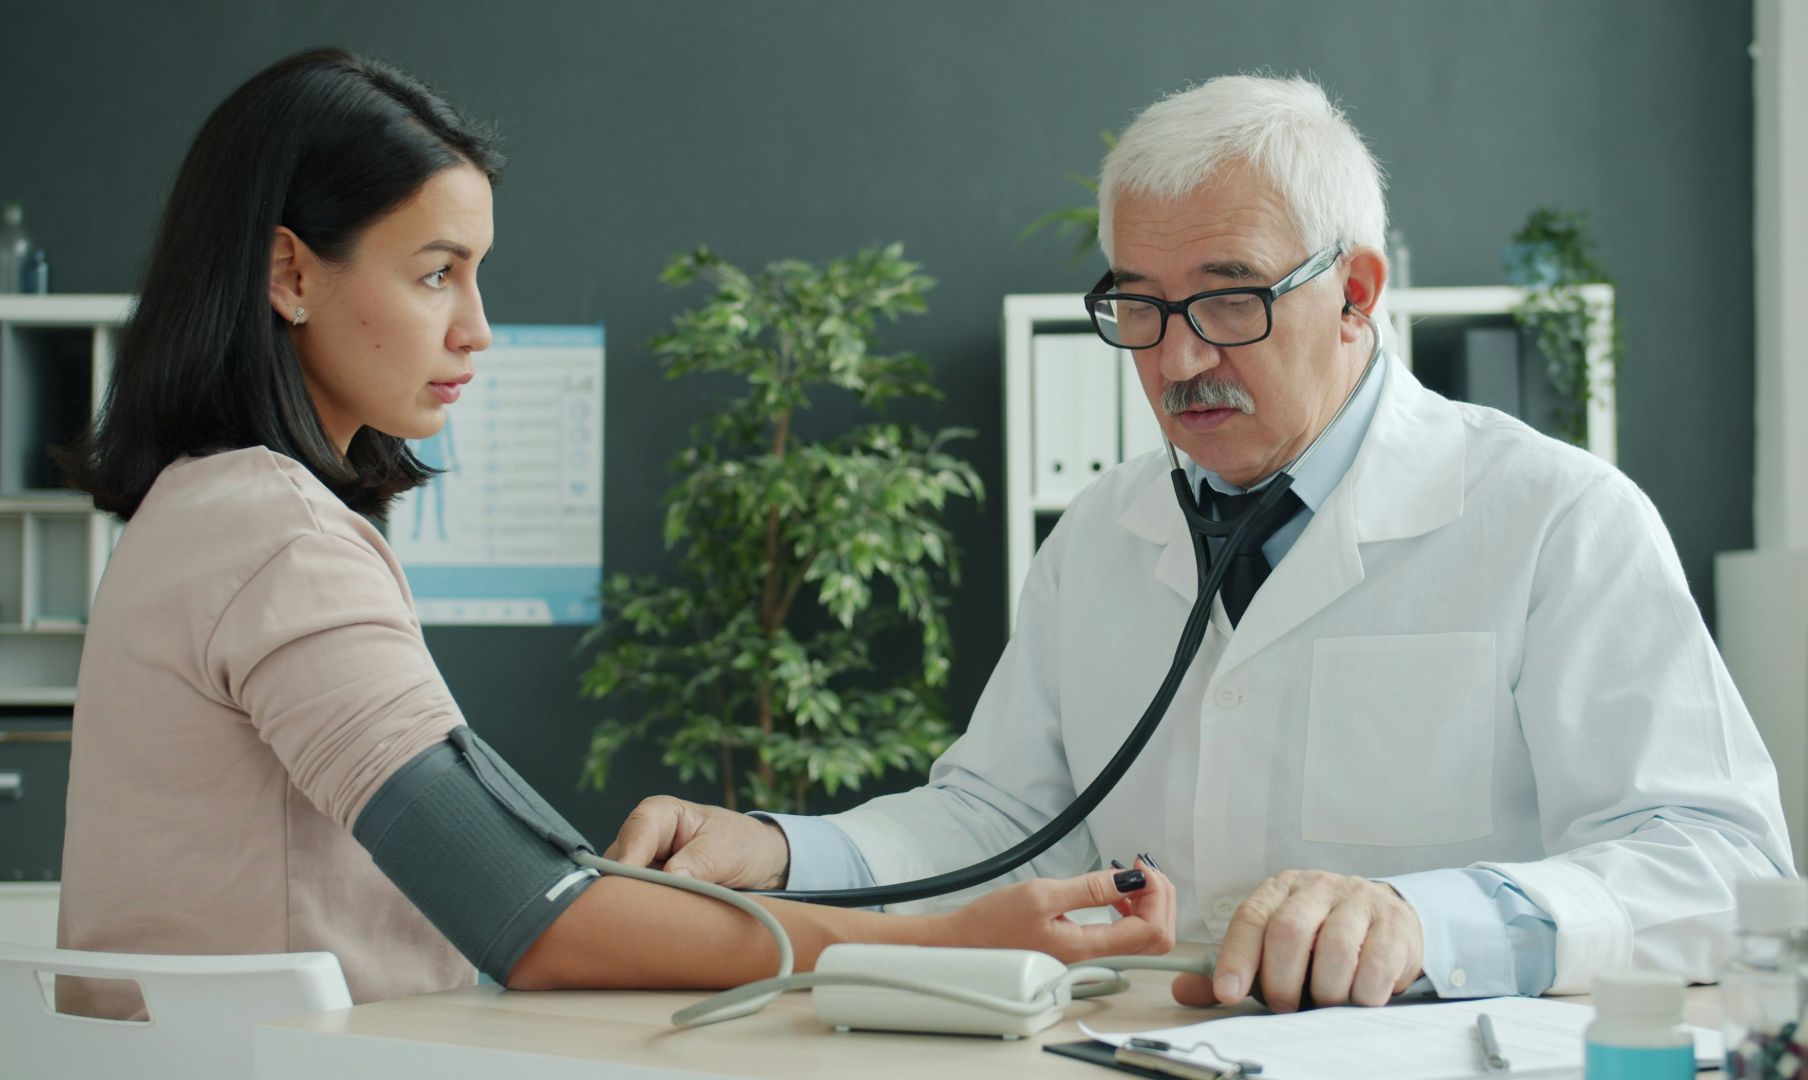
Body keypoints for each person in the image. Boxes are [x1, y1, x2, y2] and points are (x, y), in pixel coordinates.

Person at [618, 74, 1794, 1014]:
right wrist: (782, 850)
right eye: (1139, 304)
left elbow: (1716, 868)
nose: (1177, 359)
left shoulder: (1557, 519)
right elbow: (998, 823)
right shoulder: (1101, 532)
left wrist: (1427, 922)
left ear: (1354, 294)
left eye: (1230, 300)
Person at [52, 47, 1173, 1020]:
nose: (477, 329)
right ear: (291, 273)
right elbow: (525, 914)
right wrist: (952, 944)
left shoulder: (197, 510)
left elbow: (522, 867)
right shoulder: (277, 535)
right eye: (437, 273)